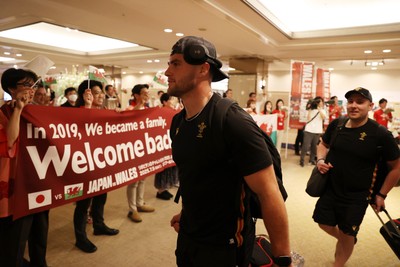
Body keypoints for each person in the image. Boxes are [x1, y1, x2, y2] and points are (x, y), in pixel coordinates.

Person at [166, 36, 292, 267]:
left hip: (226, 248)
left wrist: (283, 259)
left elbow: (269, 192)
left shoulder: (233, 121)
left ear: (204, 69)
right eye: (169, 63)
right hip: (188, 239)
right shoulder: (178, 122)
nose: (166, 72)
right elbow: (196, 177)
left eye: (175, 64)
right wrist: (188, 215)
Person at [314, 87, 400, 266]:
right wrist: (320, 159)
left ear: (370, 106)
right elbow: (322, 144)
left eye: (360, 102)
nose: (354, 105)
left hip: (357, 196)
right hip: (330, 187)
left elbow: (397, 167)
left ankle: (340, 261)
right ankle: (348, 239)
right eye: (350, 101)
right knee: (323, 223)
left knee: (347, 233)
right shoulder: (337, 124)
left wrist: (381, 194)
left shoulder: (380, 134)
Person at [0, 68, 49, 267]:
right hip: (17, 185)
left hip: (39, 181)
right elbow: (9, 141)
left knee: (40, 232)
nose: (31, 90)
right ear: (11, 88)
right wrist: (18, 110)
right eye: (26, 85)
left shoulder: (39, 113)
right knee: (16, 239)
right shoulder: (5, 112)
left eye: (33, 85)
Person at [73, 80, 119, 253]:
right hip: (85, 164)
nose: (100, 95)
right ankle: (80, 238)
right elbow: (80, 129)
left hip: (102, 162)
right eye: (96, 92)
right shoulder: (79, 111)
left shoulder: (105, 111)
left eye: (101, 92)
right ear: (86, 94)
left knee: (101, 197)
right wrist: (87, 105)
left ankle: (99, 225)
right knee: (83, 204)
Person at [126, 83, 155, 222]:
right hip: (132, 148)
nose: (146, 95)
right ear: (136, 95)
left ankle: (140, 203)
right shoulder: (131, 108)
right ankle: (132, 209)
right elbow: (130, 116)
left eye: (147, 93)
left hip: (145, 147)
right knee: (133, 181)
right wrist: (140, 104)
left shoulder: (148, 109)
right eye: (143, 93)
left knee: (143, 178)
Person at [154, 93, 179, 200]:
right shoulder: (159, 112)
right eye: (170, 99)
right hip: (163, 143)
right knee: (163, 168)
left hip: (171, 143)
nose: (173, 101)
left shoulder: (173, 112)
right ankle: (161, 190)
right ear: (164, 102)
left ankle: (165, 188)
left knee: (170, 167)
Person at [300, 97, 326, 167]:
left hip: (317, 131)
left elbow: (323, 117)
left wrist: (319, 109)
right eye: (319, 101)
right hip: (309, 130)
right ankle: (301, 160)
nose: (321, 103)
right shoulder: (310, 110)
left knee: (314, 147)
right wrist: (309, 109)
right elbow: (307, 118)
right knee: (305, 146)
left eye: (321, 102)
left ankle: (311, 160)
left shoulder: (322, 110)